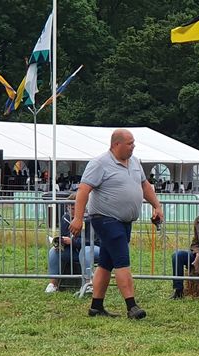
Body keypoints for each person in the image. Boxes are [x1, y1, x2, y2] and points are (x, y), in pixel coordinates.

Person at [69, 128, 164, 319]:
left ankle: (96, 306)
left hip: (124, 221)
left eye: (133, 143)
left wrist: (157, 206)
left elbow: (145, 185)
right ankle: (132, 306)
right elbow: (83, 191)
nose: (133, 147)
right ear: (116, 144)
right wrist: (78, 218)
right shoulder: (99, 163)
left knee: (106, 262)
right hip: (105, 219)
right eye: (129, 144)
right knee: (122, 260)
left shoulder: (135, 161)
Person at [45, 192, 101, 293]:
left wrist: (72, 241)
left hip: (95, 249)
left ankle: (88, 283)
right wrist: (60, 243)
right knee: (54, 252)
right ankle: (53, 284)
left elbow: (93, 241)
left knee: (86, 251)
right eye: (68, 207)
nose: (70, 209)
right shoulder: (65, 218)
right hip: (75, 251)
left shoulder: (91, 219)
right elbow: (64, 235)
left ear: (83, 207)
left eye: (74, 208)